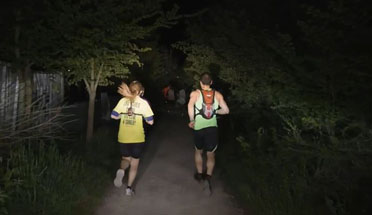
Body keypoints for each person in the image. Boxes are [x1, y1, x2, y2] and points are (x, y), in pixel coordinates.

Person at [187, 72, 229, 195]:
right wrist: (215, 111)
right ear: (211, 83)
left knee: (198, 151)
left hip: (199, 128)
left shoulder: (195, 94)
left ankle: (200, 174)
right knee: (211, 154)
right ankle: (208, 178)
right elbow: (226, 110)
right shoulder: (218, 95)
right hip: (212, 128)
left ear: (200, 82)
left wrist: (192, 120)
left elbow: (190, 106)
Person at [111, 81, 154, 196]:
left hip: (124, 137)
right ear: (140, 91)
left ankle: (121, 170)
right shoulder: (143, 103)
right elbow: (150, 121)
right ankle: (129, 189)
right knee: (134, 164)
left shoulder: (123, 101)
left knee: (126, 159)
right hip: (137, 138)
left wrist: (122, 115)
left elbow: (113, 115)